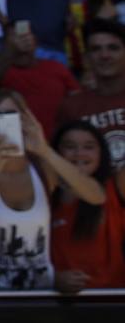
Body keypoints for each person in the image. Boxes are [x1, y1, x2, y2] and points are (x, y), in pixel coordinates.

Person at [0, 90, 104, 290]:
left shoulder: (41, 166)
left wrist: (44, 150)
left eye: (15, 116)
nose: (6, 123)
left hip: (38, 292)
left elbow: (96, 196)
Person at [48, 120, 125, 292]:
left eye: (89, 147)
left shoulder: (116, 185)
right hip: (59, 302)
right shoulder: (44, 191)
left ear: (102, 153)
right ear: (56, 153)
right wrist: (52, 278)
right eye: (70, 146)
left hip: (113, 298)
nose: (79, 153)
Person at [57, 18, 125, 171]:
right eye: (96, 49)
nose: (104, 55)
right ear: (86, 58)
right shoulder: (71, 107)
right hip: (94, 193)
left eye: (113, 48)